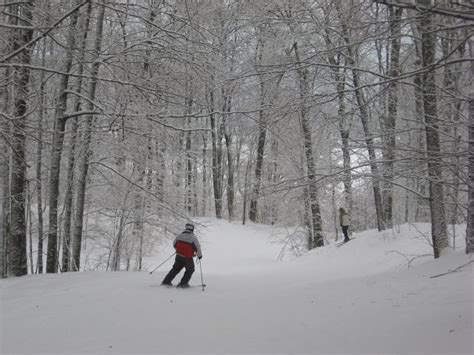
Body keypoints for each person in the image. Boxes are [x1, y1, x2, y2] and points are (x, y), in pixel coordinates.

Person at [161, 223, 202, 288]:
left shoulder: (180, 235)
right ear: (192, 230)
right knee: (190, 270)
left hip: (179, 256)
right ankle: (183, 284)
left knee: (175, 269)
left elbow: (174, 243)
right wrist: (199, 255)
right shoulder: (193, 238)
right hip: (187, 258)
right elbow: (197, 247)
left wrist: (178, 250)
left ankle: (166, 282)